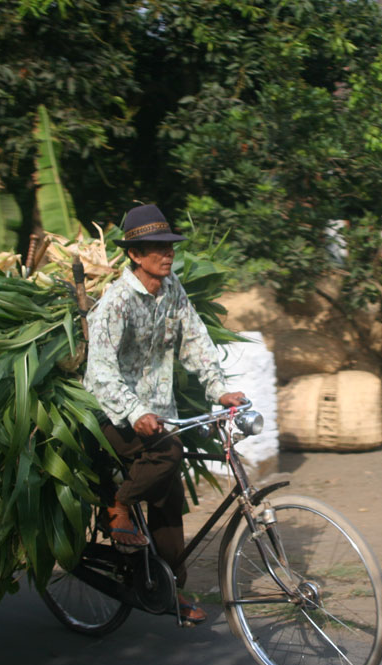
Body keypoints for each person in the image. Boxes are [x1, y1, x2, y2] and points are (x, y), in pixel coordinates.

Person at [83, 204, 245, 624]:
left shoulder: (172, 291)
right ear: (135, 255)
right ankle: (119, 505)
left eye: (169, 246)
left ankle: (169, 588)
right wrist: (134, 411)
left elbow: (196, 342)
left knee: (171, 505)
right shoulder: (115, 302)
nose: (167, 254)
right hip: (113, 415)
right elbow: (100, 372)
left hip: (160, 416)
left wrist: (220, 389)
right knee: (168, 451)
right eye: (156, 247)